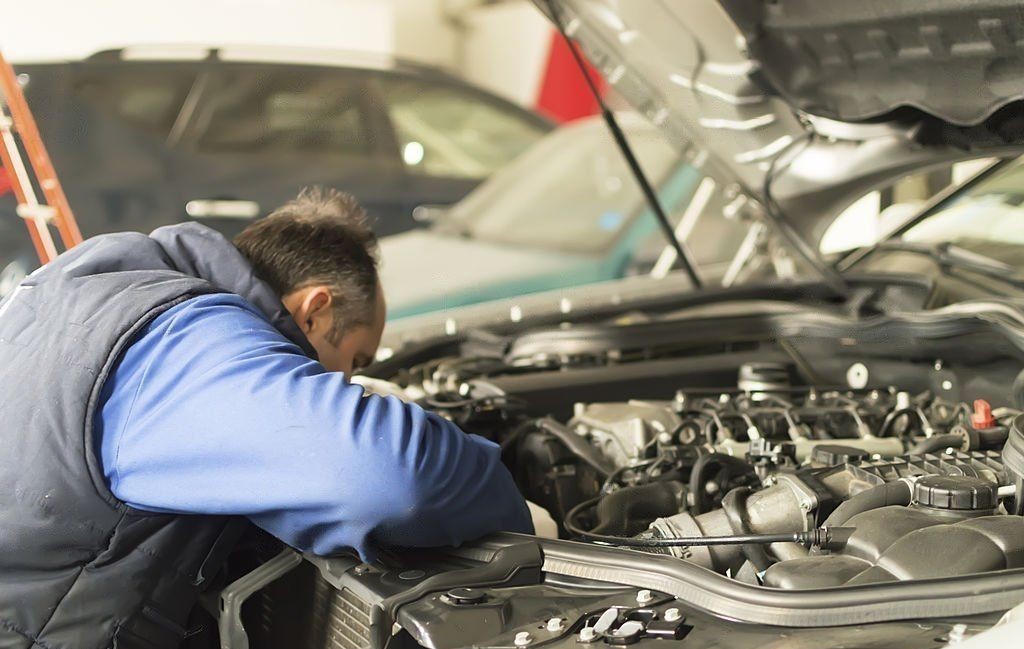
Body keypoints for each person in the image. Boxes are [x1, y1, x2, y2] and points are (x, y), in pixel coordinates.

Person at [0, 187, 533, 649]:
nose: (347, 382)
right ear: (314, 310)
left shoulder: (74, 289)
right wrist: (520, 514)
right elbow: (392, 476)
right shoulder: (180, 340)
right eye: (356, 361)